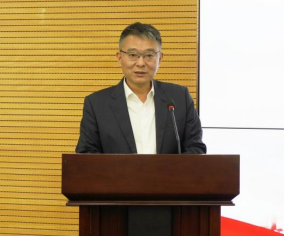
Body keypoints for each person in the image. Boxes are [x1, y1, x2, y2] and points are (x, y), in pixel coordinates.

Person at [75, 22, 207, 154]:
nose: (141, 63)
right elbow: (86, 154)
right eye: (132, 55)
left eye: (149, 55)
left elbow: (196, 148)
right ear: (119, 57)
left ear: (160, 58)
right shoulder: (96, 104)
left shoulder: (180, 98)